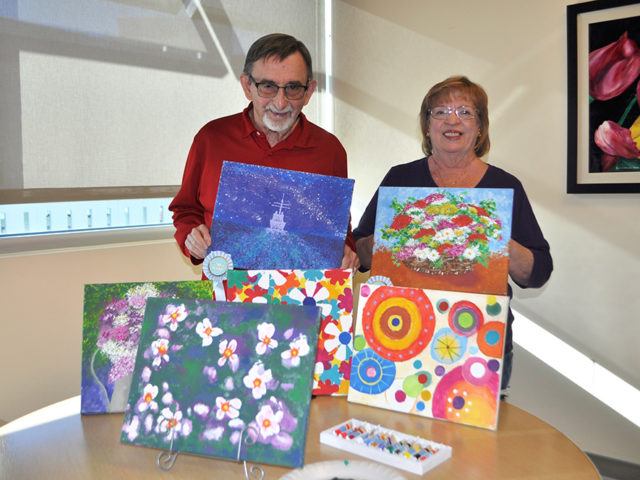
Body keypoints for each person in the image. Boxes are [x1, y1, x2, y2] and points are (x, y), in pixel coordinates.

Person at [353, 76, 553, 390]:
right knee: (405, 432)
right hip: (405, 332)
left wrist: (500, 243)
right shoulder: (400, 178)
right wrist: (382, 243)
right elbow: (360, 254)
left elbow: (538, 272)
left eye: (465, 112)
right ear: (427, 125)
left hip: (480, 340)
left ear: (480, 128)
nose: (452, 120)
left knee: (473, 438)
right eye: (441, 112)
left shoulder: (505, 187)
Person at [169, 33, 358, 270]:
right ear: (247, 86)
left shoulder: (330, 151)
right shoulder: (211, 139)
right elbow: (186, 210)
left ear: (309, 91)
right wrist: (191, 237)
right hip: (226, 296)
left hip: (303, 299)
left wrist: (346, 252)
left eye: (293, 88)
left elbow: (339, 227)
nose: (280, 102)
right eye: (267, 86)